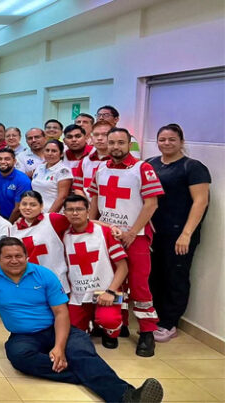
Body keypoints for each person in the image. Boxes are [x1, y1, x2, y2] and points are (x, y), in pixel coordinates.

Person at [0, 237, 164, 403]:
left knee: (80, 352)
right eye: (8, 257)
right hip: (22, 336)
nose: (14, 260)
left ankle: (128, 397)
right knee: (19, 357)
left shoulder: (45, 275)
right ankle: (90, 374)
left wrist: (59, 347)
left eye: (18, 256)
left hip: (57, 328)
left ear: (26, 257)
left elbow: (61, 313)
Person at [88, 127, 164, 357]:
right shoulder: (100, 168)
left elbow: (152, 204)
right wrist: (90, 226)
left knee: (139, 284)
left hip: (136, 237)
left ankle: (147, 332)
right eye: (111, 142)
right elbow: (95, 199)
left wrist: (132, 232)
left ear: (129, 144)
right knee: (109, 279)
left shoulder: (143, 168)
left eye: (121, 142)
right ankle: (115, 325)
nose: (116, 147)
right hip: (107, 234)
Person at [146, 124, 210, 342]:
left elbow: (200, 202)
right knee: (154, 275)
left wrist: (186, 234)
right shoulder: (150, 164)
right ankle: (154, 317)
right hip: (154, 231)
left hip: (179, 234)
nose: (166, 143)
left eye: (172, 139)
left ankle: (169, 323)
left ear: (181, 141)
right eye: (162, 139)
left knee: (175, 277)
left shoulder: (192, 167)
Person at [62, 195, 128, 349]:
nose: (75, 213)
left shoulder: (104, 232)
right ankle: (92, 324)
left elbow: (123, 267)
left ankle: (111, 333)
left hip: (107, 289)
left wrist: (111, 292)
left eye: (79, 209)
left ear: (88, 211)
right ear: (64, 213)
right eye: (70, 210)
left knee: (108, 319)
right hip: (78, 293)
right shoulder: (63, 235)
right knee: (71, 329)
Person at [9, 190, 70, 292]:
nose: (28, 208)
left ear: (41, 206)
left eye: (33, 205)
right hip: (30, 282)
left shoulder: (52, 219)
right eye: (24, 204)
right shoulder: (13, 229)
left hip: (56, 279)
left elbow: (80, 222)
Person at [0, 148, 32, 221]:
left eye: (7, 159)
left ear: (14, 161)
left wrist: (8, 225)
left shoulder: (23, 180)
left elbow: (18, 209)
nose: (2, 162)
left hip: (17, 219)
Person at [31, 140, 73, 213]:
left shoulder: (63, 171)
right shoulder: (39, 167)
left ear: (61, 154)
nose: (50, 153)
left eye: (54, 151)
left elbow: (62, 197)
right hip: (36, 212)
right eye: (47, 150)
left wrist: (48, 216)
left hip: (53, 214)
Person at [73, 121, 111, 196]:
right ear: (91, 137)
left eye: (105, 135)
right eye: (96, 135)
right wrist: (87, 203)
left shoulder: (119, 161)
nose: (99, 138)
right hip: (86, 202)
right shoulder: (84, 161)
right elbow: (78, 188)